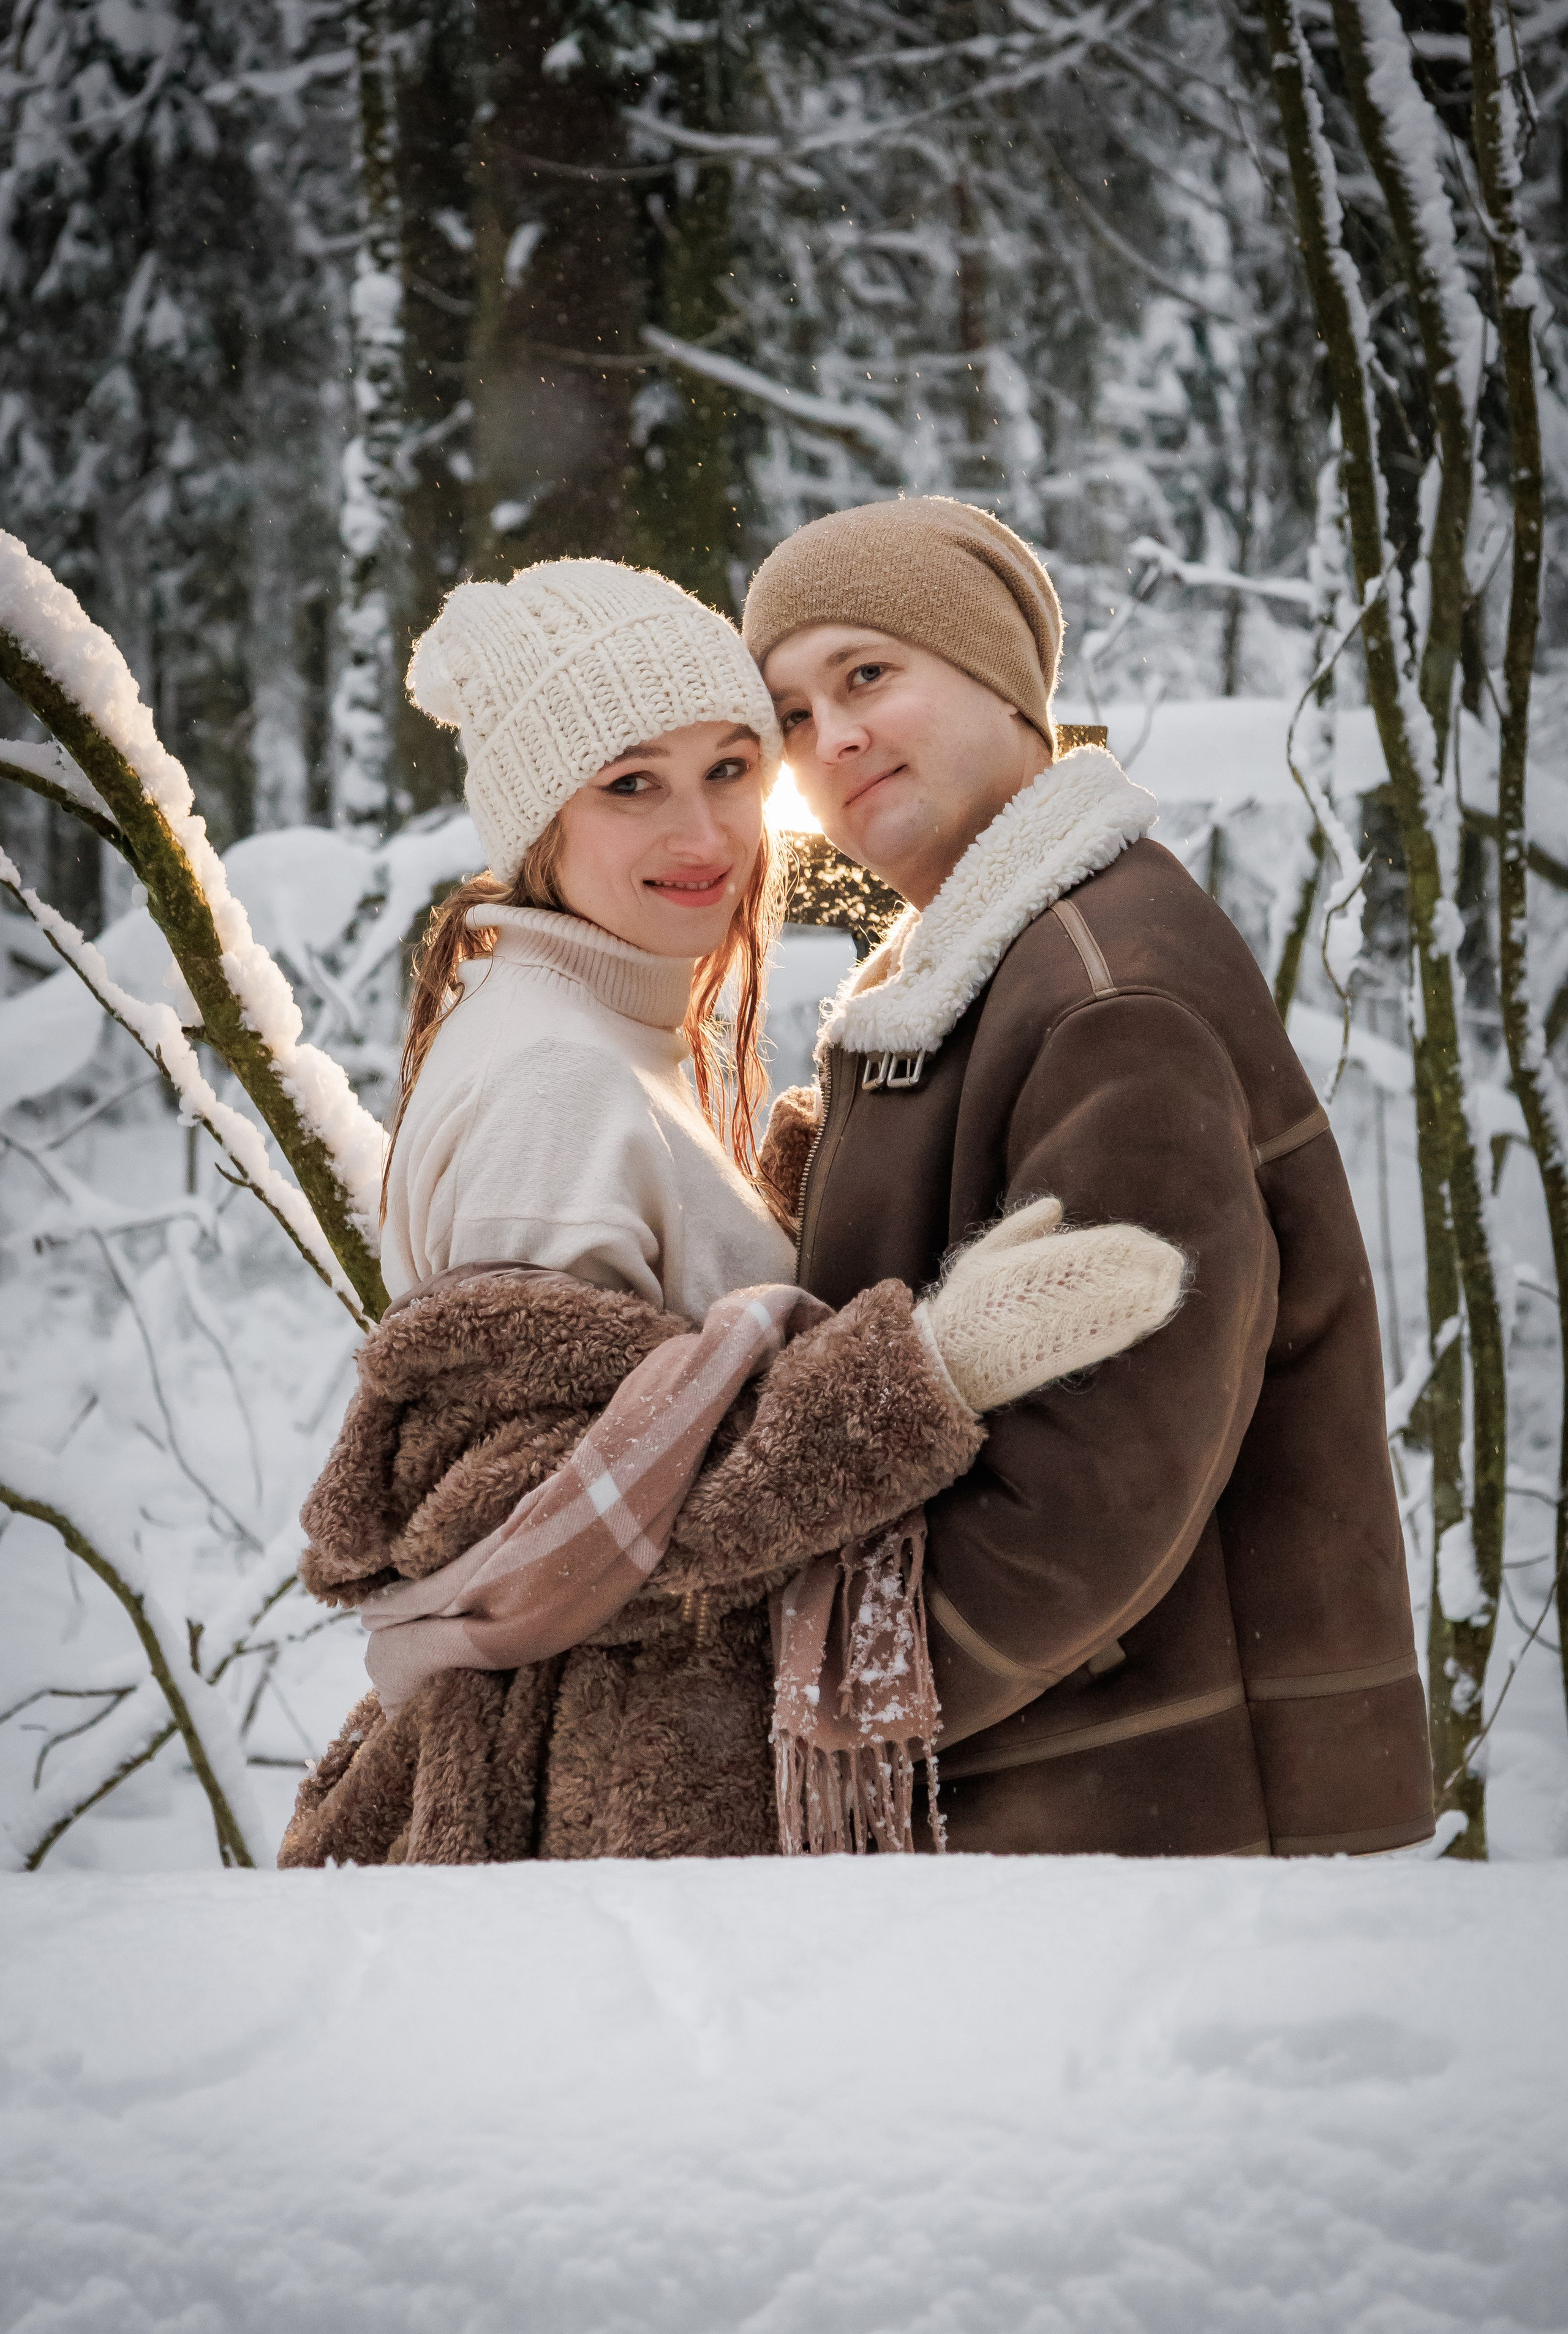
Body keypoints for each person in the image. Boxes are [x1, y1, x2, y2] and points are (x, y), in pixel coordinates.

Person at [281, 558, 1185, 1868]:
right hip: (597, 1820)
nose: (705, 837)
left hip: (628, 1796)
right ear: (540, 819)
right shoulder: (557, 1076)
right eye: (630, 784)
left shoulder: (613, 1032)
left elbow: (652, 1395)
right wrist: (920, 1374)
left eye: (729, 769)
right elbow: (533, 1533)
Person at [744, 495, 1436, 1860]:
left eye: (866, 673)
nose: (830, 740)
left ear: (1001, 678)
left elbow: (1105, 1479)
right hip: (1099, 1816)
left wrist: (847, 1707)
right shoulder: (978, 967)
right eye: (789, 712)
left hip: (1162, 1828)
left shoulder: (1101, 992)